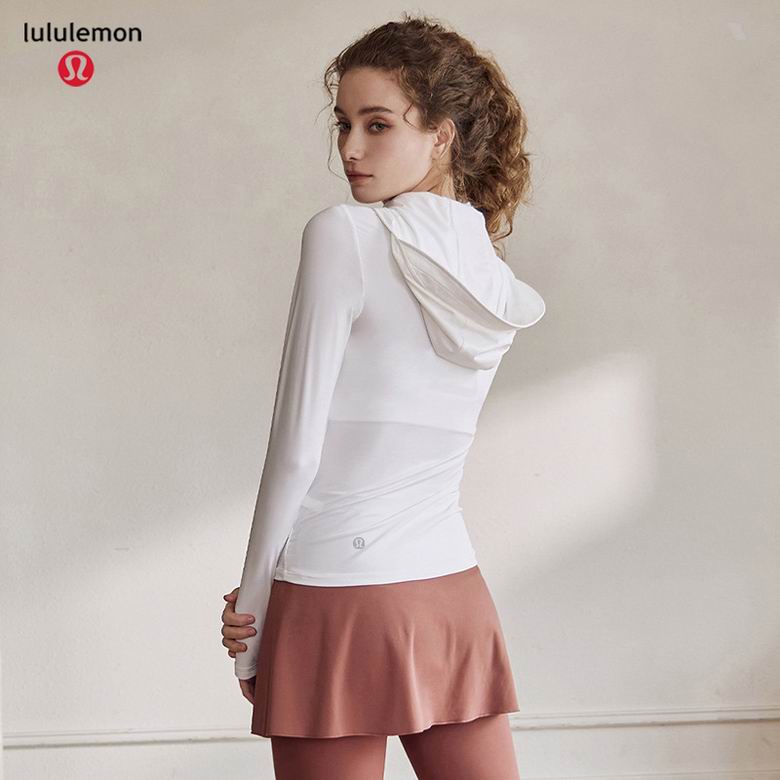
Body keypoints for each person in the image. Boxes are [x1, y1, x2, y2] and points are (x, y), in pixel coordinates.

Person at [221, 13, 545, 779]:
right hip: (451, 593)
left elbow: (295, 451)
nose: (351, 150)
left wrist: (252, 615)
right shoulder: (490, 273)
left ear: (442, 136)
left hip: (335, 591)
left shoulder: (346, 235)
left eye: (378, 124)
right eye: (343, 125)